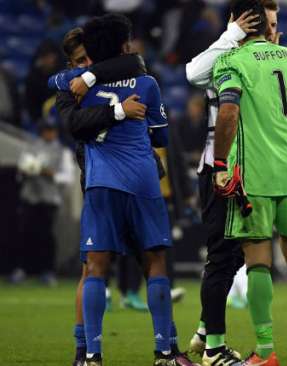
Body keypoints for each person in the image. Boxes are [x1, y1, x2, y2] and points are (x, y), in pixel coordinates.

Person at [48, 27, 195, 366]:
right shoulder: (87, 87)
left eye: (90, 58)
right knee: (98, 269)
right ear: (71, 63)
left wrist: (91, 75)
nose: (87, 64)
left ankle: (130, 352)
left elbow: (127, 63)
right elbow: (74, 125)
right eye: (79, 61)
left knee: (129, 264)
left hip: (113, 180)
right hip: (110, 178)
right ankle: (87, 352)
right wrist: (119, 111)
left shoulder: (94, 80)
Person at [185, 1, 287, 364]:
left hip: (254, 169)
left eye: (274, 22)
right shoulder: (225, 54)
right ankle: (214, 349)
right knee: (223, 256)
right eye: (263, 22)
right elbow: (193, 73)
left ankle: (208, 327)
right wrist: (233, 34)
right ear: (239, 21)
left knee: (240, 253)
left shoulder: (269, 59)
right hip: (221, 169)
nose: (270, 29)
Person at [211, 1, 287, 365]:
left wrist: (218, 162)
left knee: (257, 259)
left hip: (255, 175)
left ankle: (265, 352)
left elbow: (228, 112)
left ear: (240, 23)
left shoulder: (231, 61)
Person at [74, 14, 174, 366]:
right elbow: (161, 136)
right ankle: (164, 351)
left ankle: (92, 355)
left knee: (96, 268)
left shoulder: (80, 89)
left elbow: (74, 125)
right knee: (155, 262)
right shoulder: (146, 83)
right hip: (143, 182)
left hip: (101, 183)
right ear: (123, 45)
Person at [12, 120, 75, 285]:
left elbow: (68, 178)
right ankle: (21, 270)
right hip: (30, 196)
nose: (49, 133)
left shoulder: (63, 152)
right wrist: (26, 171)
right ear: (41, 131)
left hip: (49, 199)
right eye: (46, 130)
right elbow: (20, 173)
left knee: (46, 236)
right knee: (24, 234)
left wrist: (50, 174)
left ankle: (48, 271)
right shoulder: (30, 148)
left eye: (52, 130)